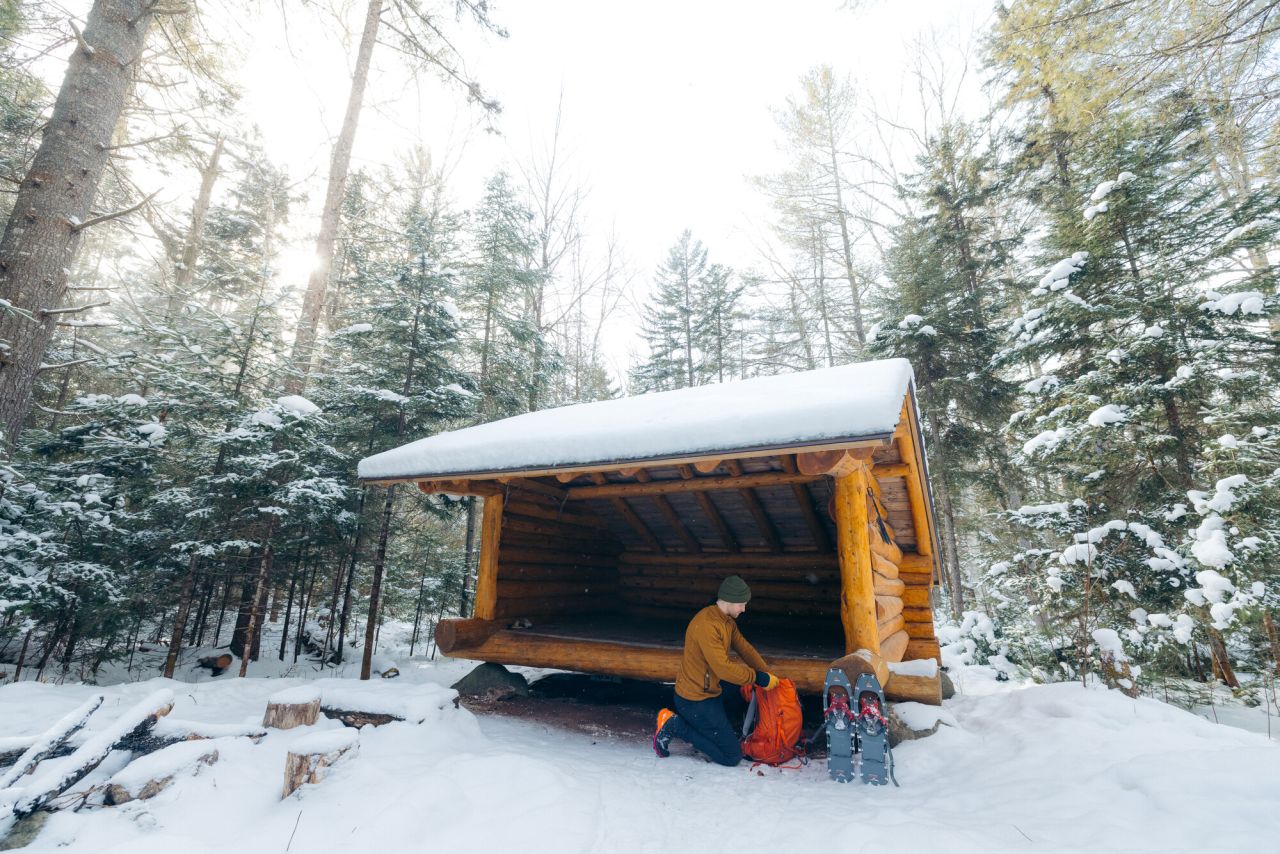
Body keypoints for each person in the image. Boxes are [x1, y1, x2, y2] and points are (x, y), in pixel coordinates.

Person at [652, 575, 779, 766]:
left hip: (710, 691)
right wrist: (758, 677)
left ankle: (711, 730)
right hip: (694, 700)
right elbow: (724, 669)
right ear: (729, 601)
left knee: (738, 692)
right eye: (741, 604)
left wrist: (767, 673)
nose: (744, 609)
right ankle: (674, 725)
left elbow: (744, 648)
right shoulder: (707, 625)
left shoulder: (726, 621)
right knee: (732, 756)